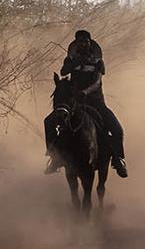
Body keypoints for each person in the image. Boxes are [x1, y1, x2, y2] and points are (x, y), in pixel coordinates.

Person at [44, 29, 127, 177]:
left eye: (85, 41)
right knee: (49, 121)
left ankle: (117, 159)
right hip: (74, 103)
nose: (83, 44)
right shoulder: (71, 59)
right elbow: (63, 72)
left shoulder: (98, 61)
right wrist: (75, 62)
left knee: (117, 129)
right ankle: (54, 156)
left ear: (90, 43)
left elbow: (97, 82)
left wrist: (85, 92)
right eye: (80, 42)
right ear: (76, 44)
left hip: (96, 102)